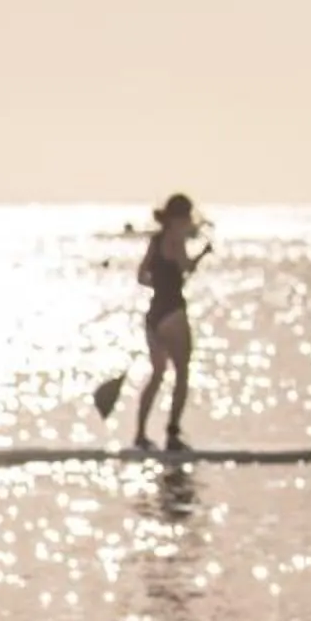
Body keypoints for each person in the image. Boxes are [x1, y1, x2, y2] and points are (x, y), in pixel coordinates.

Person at [131, 193, 209, 452]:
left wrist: (161, 283)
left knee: (157, 375)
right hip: (173, 313)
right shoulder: (176, 239)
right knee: (182, 373)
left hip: (154, 314)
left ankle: (140, 435)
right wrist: (204, 254)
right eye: (186, 216)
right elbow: (185, 268)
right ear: (178, 218)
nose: (189, 221)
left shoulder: (155, 241)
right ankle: (172, 434)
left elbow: (142, 276)